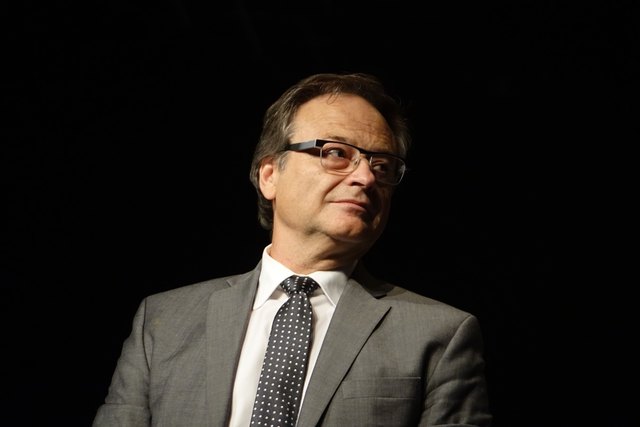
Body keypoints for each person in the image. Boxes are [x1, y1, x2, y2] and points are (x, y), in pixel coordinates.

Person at [92, 72, 492, 426]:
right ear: (270, 175)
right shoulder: (163, 321)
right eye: (336, 153)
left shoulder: (439, 335)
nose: (366, 178)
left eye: (382, 166)